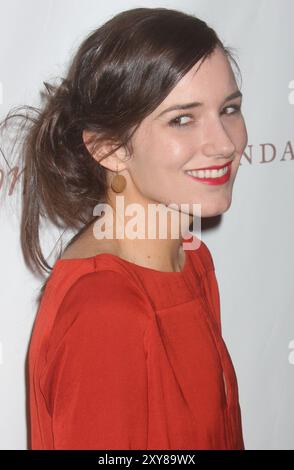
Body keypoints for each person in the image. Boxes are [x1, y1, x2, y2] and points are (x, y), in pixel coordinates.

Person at [1, 7, 248, 449]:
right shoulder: (105, 311)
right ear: (109, 148)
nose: (226, 144)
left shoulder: (190, 259)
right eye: (183, 119)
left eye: (229, 109)